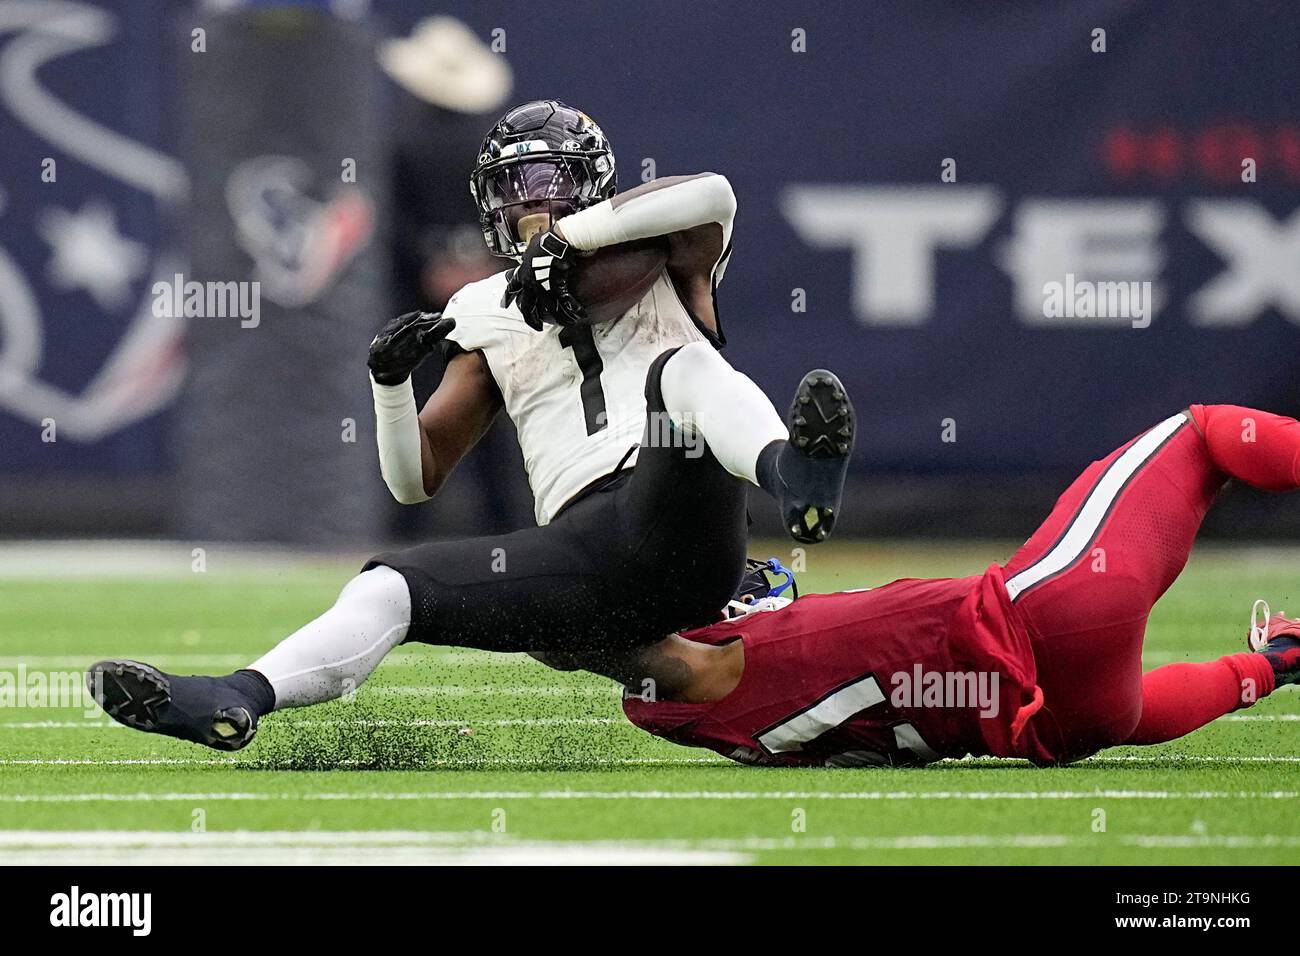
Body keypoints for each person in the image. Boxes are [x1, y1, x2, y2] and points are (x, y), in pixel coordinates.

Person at [85, 100, 856, 751]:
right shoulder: (481, 309)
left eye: (548, 179)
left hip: (685, 512)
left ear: (592, 186)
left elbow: (712, 193)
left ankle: (796, 475)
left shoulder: (661, 256)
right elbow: (413, 480)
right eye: (514, 184)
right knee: (389, 584)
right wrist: (389, 387)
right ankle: (236, 696)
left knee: (680, 371)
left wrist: (572, 242)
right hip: (586, 556)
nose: (529, 199)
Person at [606, 405, 1300, 766]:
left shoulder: (741, 726)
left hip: (1059, 720)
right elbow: (623, 645)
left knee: (1129, 714)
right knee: (1203, 434)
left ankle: (1278, 662)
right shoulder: (706, 668)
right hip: (1040, 616)